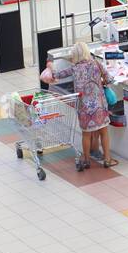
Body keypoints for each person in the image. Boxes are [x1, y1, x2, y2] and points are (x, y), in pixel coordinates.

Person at [40, 41, 118, 170]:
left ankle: (86, 160)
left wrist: (49, 66)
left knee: (86, 134)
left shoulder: (74, 68)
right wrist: (100, 81)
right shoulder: (97, 64)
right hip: (99, 106)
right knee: (104, 132)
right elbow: (109, 80)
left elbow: (56, 76)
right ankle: (107, 160)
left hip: (84, 108)